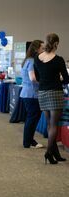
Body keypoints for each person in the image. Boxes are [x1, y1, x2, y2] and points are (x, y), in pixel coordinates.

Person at [34, 33, 69, 164]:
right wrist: (58, 78)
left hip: (42, 92)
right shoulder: (59, 59)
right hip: (55, 92)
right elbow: (66, 79)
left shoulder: (37, 58)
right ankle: (49, 152)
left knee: (50, 125)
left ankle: (54, 153)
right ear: (56, 44)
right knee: (54, 125)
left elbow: (37, 78)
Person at [20, 40, 44, 149]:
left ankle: (30, 140)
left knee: (32, 118)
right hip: (32, 94)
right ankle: (27, 142)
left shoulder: (27, 60)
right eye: (42, 48)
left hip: (28, 93)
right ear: (36, 49)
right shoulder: (32, 61)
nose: (43, 50)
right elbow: (33, 78)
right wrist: (44, 82)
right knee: (32, 118)